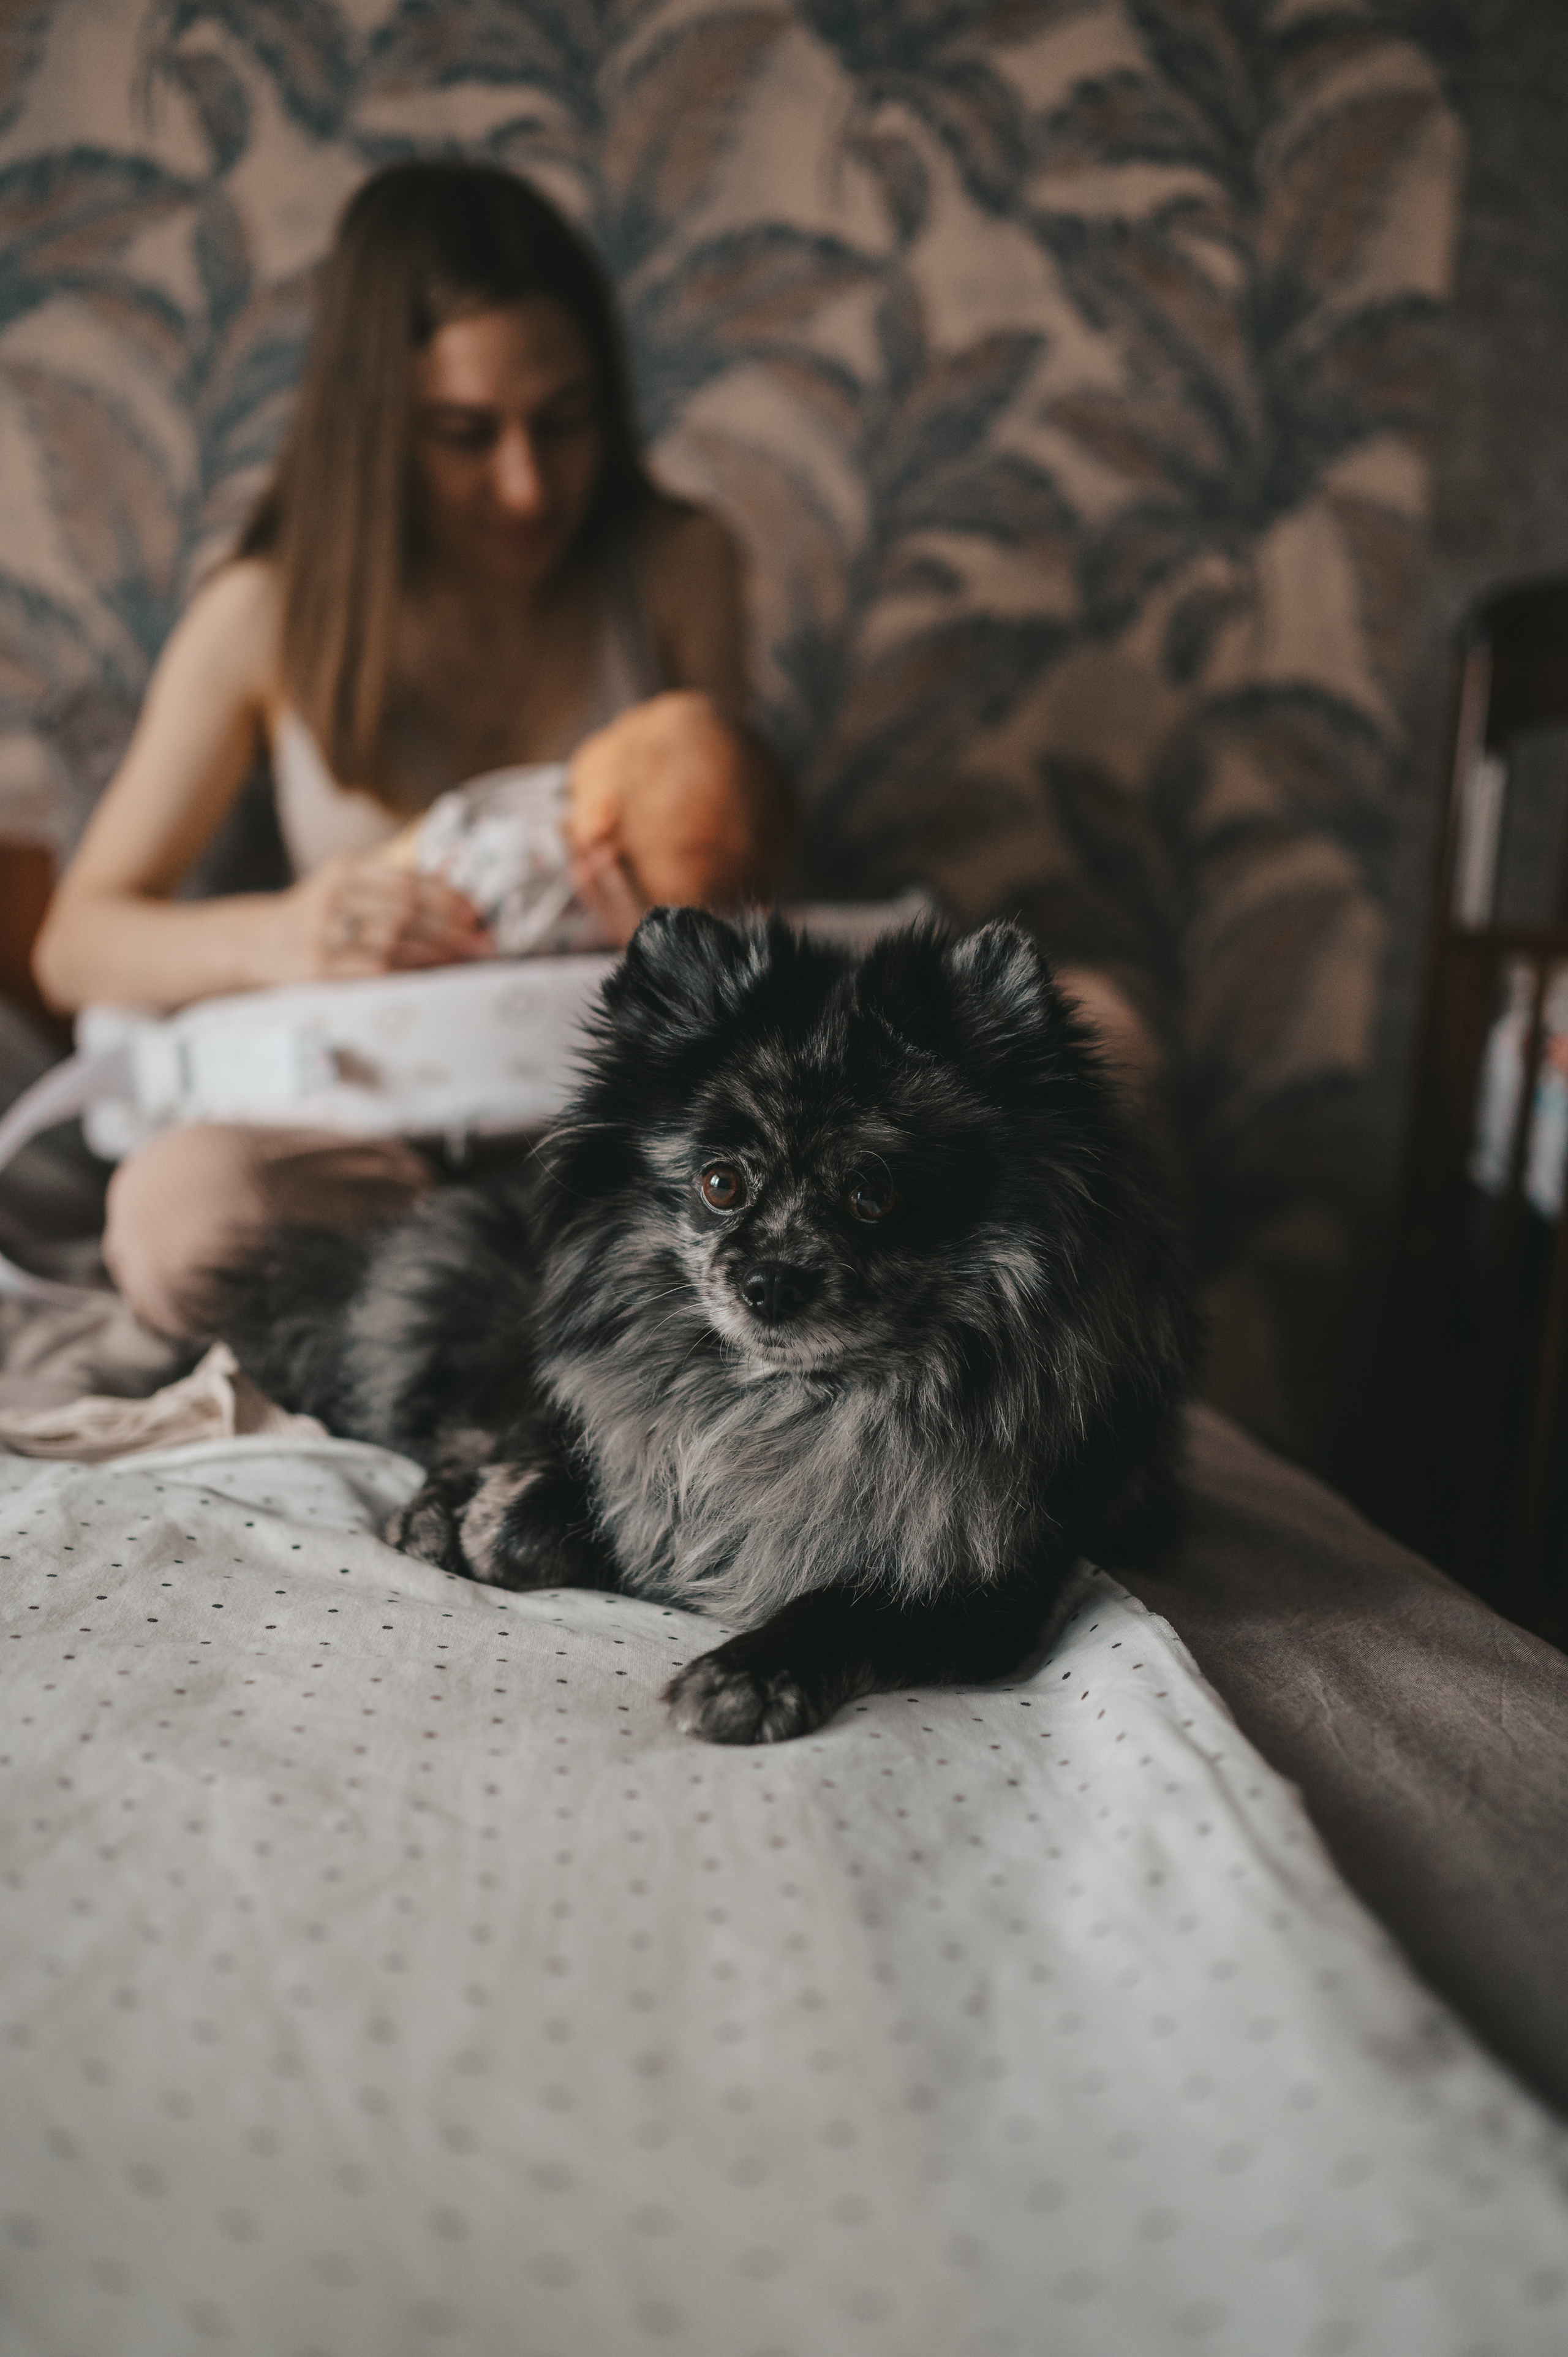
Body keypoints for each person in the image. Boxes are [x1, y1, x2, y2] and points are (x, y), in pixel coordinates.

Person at [32, 160, 790, 1339]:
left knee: (1092, 1034)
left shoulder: (680, 567)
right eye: (462, 433)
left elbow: (742, 861)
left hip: (634, 1120)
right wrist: (284, 933)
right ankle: (532, 1302)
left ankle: (508, 1305)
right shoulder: (262, 617)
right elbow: (77, 944)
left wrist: (683, 917)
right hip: (377, 1144)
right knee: (183, 1214)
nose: (528, 484)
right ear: (377, 425)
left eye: (567, 420)